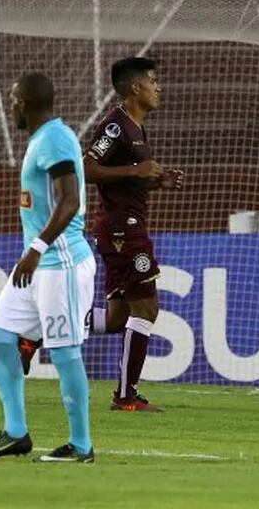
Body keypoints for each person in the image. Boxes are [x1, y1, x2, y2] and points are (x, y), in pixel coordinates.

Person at [0, 73, 96, 462]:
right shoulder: (42, 140)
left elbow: (70, 200)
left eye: (12, 100)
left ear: (23, 102)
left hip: (61, 263)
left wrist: (37, 247)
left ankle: (81, 445)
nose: (10, 107)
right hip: (37, 265)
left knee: (64, 352)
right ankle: (16, 433)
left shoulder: (55, 139)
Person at [82, 56, 182, 411]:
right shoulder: (116, 126)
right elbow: (87, 169)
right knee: (147, 308)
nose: (159, 87)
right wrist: (137, 169)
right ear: (135, 87)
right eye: (153, 81)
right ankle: (126, 396)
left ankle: (44, 327)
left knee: (117, 318)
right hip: (124, 230)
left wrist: (154, 181)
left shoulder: (136, 128)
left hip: (122, 225)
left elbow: (126, 181)